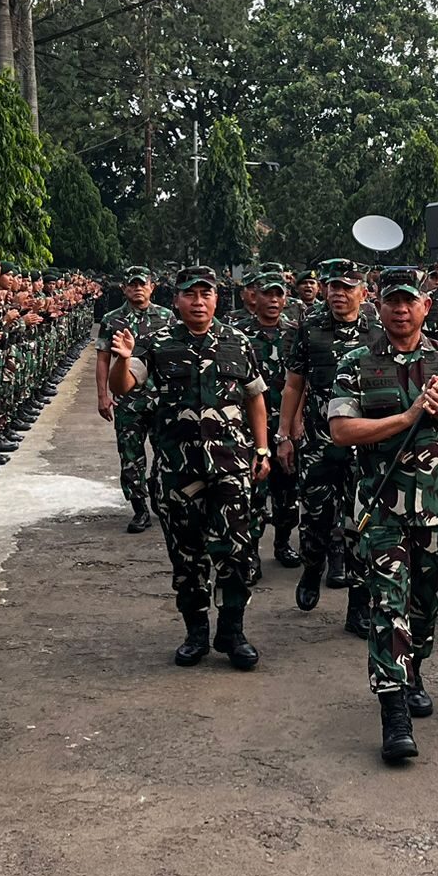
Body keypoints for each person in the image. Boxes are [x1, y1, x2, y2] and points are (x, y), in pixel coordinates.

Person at [328, 267, 438, 761]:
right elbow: (343, 431)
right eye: (391, 300)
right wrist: (407, 417)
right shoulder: (357, 361)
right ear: (378, 305)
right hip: (381, 504)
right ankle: (393, 712)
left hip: (436, 505)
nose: (400, 309)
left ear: (424, 306)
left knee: (423, 605)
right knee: (387, 606)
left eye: (409, 301)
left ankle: (414, 671)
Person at [108, 266, 270, 671]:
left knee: (237, 552)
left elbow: (255, 397)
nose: (198, 302)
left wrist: (263, 448)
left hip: (231, 467)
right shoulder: (157, 344)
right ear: (176, 299)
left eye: (206, 293)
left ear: (217, 298)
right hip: (178, 470)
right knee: (187, 557)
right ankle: (195, 632)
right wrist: (121, 361)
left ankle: (232, 631)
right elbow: (123, 387)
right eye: (190, 294)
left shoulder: (237, 341)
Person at [280, 259, 376, 630]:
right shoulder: (310, 329)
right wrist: (285, 435)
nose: (338, 293)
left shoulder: (378, 332)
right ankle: (311, 567)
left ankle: (358, 605)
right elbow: (293, 385)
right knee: (317, 517)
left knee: (362, 524)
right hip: (319, 442)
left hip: (365, 444)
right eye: (333, 286)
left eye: (347, 288)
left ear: (362, 293)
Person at [96, 266, 174, 533]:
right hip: (128, 400)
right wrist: (102, 395)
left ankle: (156, 487)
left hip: (161, 399)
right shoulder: (112, 320)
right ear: (124, 289)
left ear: (152, 286)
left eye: (143, 284)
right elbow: (103, 358)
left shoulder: (168, 318)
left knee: (165, 452)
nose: (138, 288)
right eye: (133, 285)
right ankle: (139, 507)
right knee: (130, 455)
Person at [241, 270, 300, 572]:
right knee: (253, 494)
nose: (274, 300)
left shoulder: (295, 332)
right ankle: (251, 552)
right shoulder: (239, 333)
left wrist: (293, 425)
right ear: (255, 296)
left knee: (287, 493)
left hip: (286, 425)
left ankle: (282, 542)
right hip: (252, 427)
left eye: (279, 294)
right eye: (267, 294)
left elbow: (302, 380)